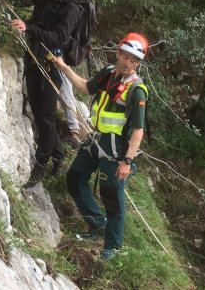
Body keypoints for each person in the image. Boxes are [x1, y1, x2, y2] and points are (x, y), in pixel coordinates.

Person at [51, 33, 149, 261]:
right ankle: (96, 224)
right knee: (74, 178)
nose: (128, 62)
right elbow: (85, 87)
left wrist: (128, 161)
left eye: (133, 60)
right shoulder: (108, 74)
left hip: (116, 149)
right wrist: (63, 67)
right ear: (118, 53)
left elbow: (138, 130)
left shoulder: (137, 90)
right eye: (125, 56)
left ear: (138, 63)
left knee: (112, 196)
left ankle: (112, 248)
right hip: (96, 138)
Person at [11, 0, 82, 188]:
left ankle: (41, 164)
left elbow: (60, 38)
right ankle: (59, 156)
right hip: (34, 57)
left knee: (46, 116)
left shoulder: (71, 7)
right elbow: (22, 1)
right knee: (39, 111)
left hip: (52, 64)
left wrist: (28, 28)